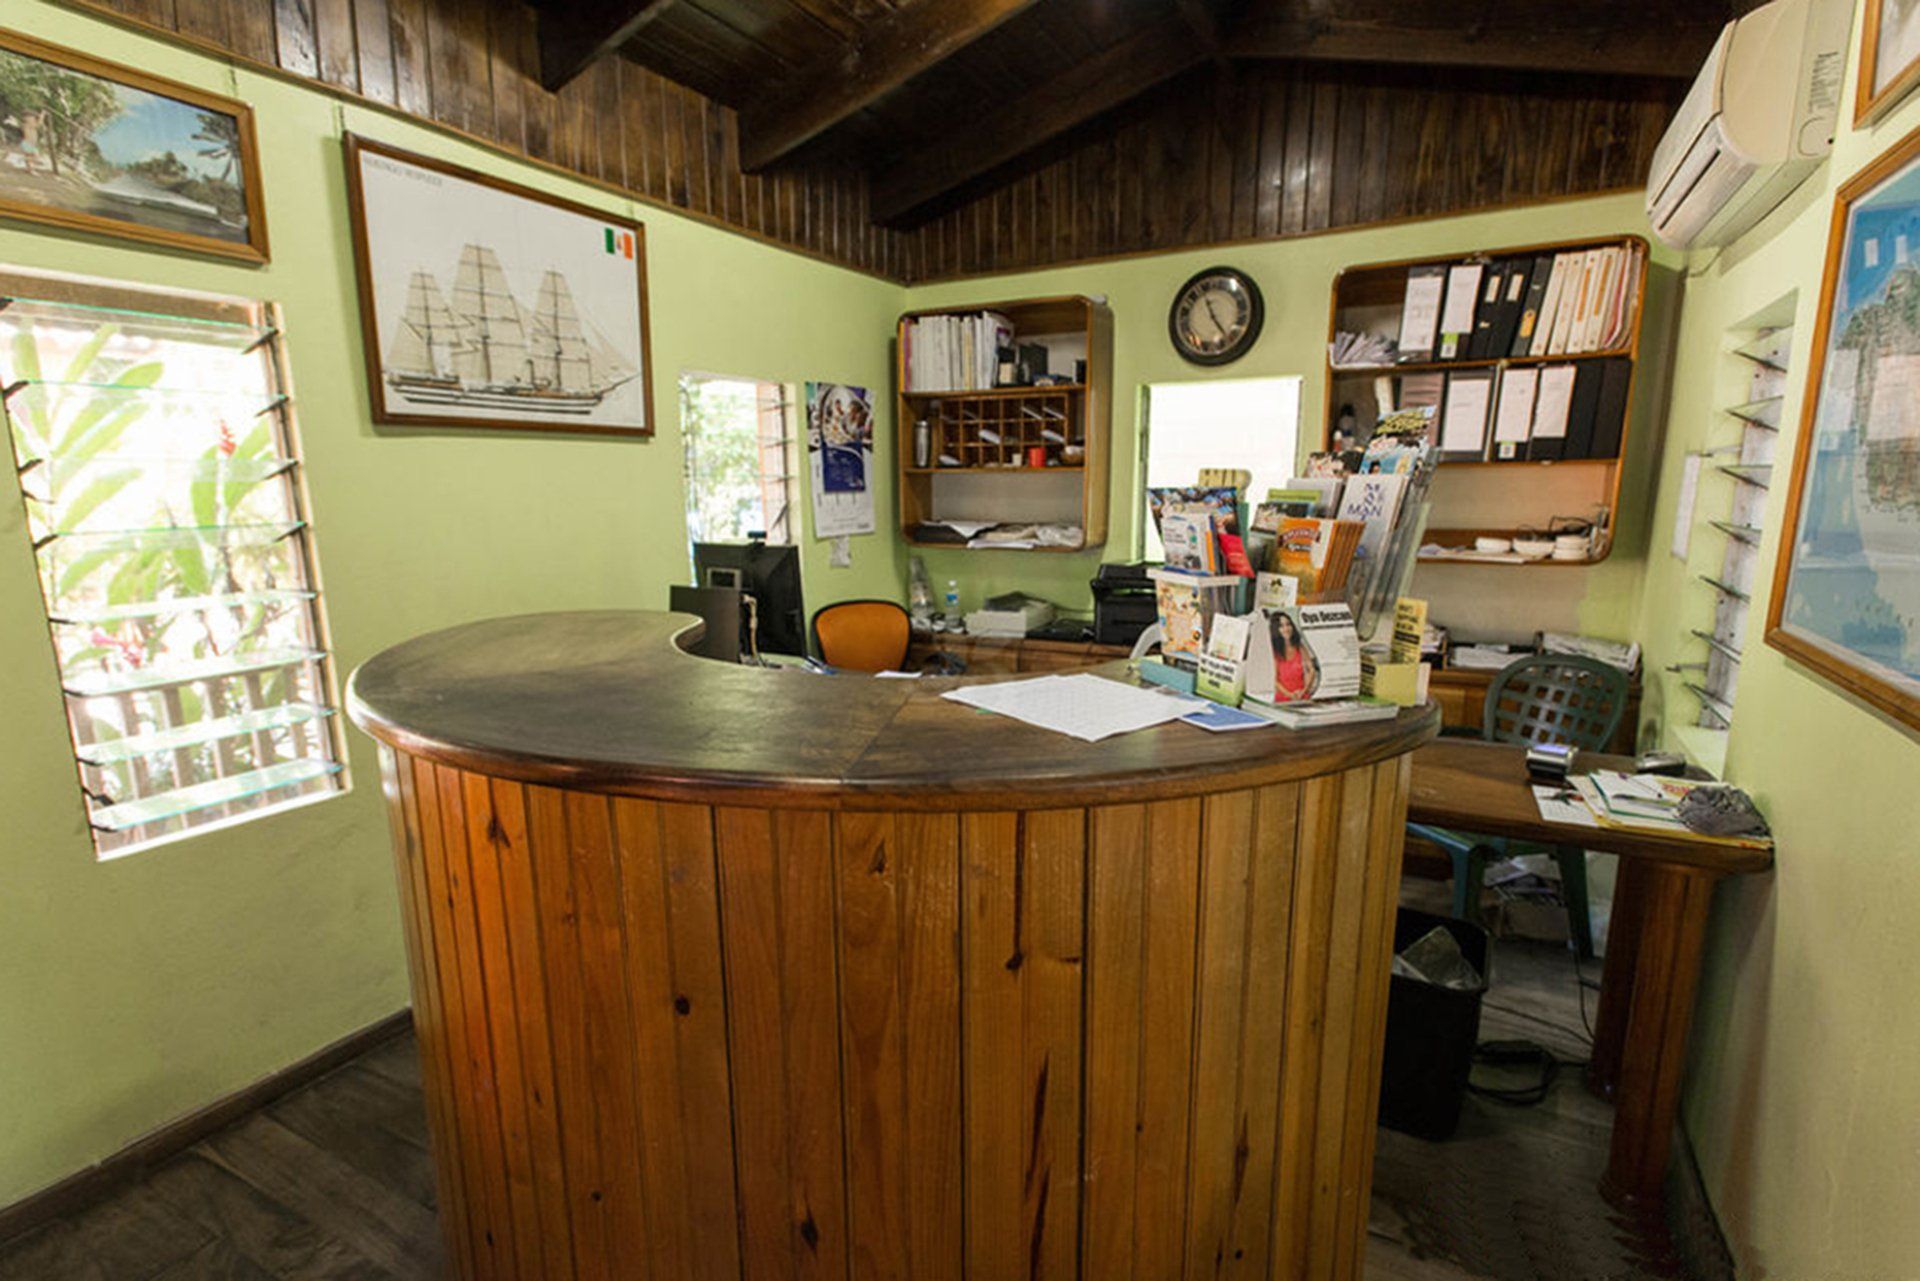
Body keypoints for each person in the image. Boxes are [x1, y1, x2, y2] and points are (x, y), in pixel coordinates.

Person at [1271, 610, 1318, 702]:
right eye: (1281, 626)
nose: (1286, 628)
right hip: (1283, 700)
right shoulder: (1274, 652)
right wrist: (1290, 695)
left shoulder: (1300, 647)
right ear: (1276, 629)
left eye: (1288, 624)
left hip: (1302, 697)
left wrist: (1303, 691)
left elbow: (1311, 670)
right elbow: (1274, 680)